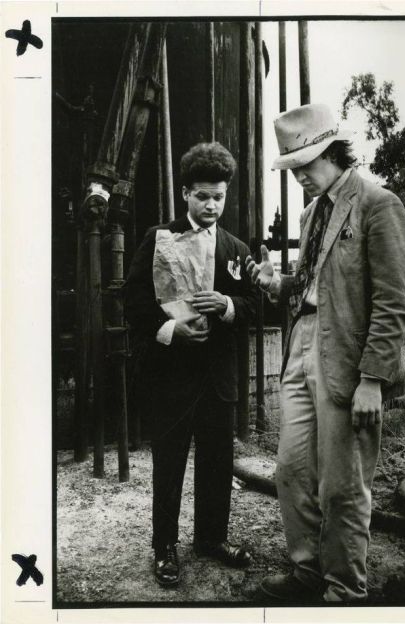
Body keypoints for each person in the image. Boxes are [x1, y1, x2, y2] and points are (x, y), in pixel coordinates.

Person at [246, 103, 405, 603]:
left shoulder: (378, 204)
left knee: (343, 485)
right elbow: (313, 284)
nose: (300, 177)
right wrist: (278, 282)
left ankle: (344, 592)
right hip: (302, 347)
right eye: (293, 169)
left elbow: (393, 304)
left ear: (334, 152)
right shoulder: (310, 211)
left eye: (307, 165)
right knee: (291, 469)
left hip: (348, 357)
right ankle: (307, 573)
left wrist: (372, 379)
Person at [125, 142, 258, 588]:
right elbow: (133, 300)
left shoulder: (236, 248)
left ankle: (211, 539)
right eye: (202, 196)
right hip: (171, 379)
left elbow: (258, 306)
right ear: (185, 194)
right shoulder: (158, 239)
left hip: (218, 380)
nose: (211, 205)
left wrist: (228, 304)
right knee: (169, 464)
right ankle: (165, 547)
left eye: (218, 197)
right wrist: (171, 331)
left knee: (218, 461)